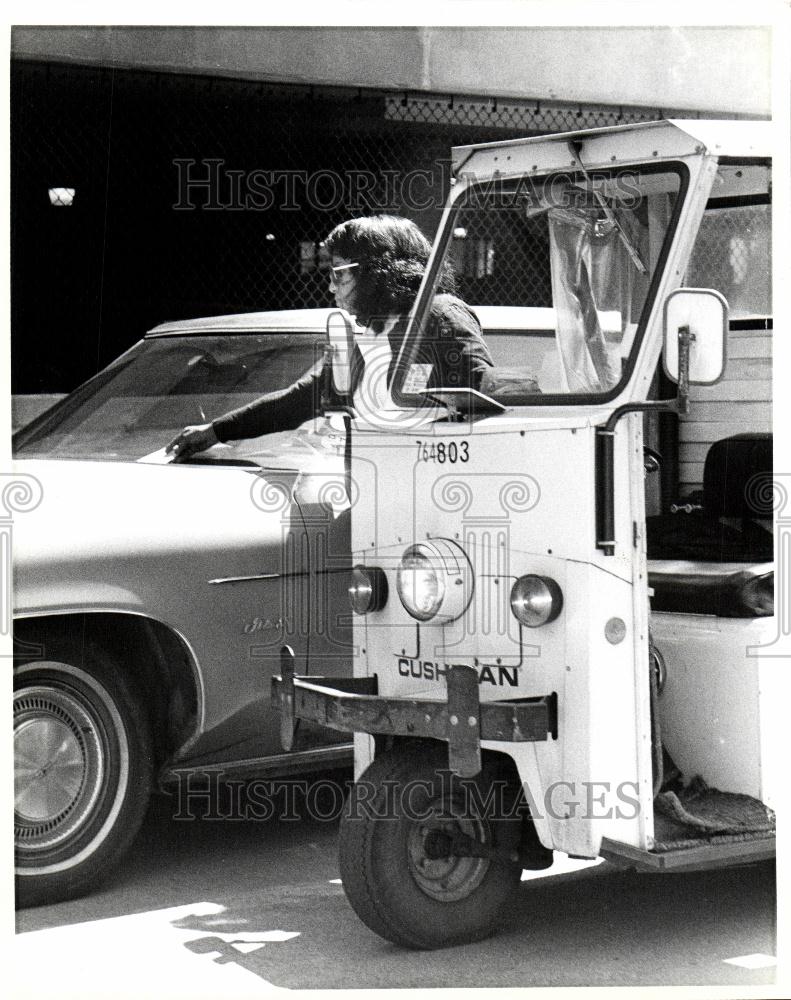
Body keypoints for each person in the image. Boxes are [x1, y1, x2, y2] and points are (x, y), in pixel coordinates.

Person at [166, 214, 492, 459]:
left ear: (376, 269)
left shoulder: (438, 314)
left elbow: (485, 396)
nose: (330, 286)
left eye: (338, 273)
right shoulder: (365, 333)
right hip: (373, 489)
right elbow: (301, 400)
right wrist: (215, 431)